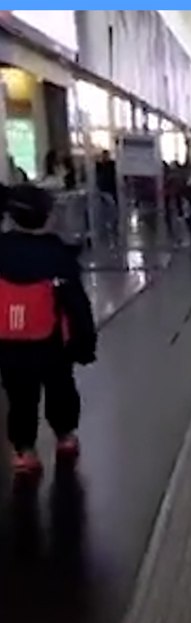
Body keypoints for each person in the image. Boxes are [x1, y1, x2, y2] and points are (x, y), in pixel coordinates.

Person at [0, 184, 96, 479]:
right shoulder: (59, 255)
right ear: (47, 217)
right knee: (60, 387)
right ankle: (65, 436)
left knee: (19, 396)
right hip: (52, 343)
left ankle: (25, 451)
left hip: (8, 343)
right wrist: (85, 342)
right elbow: (76, 304)